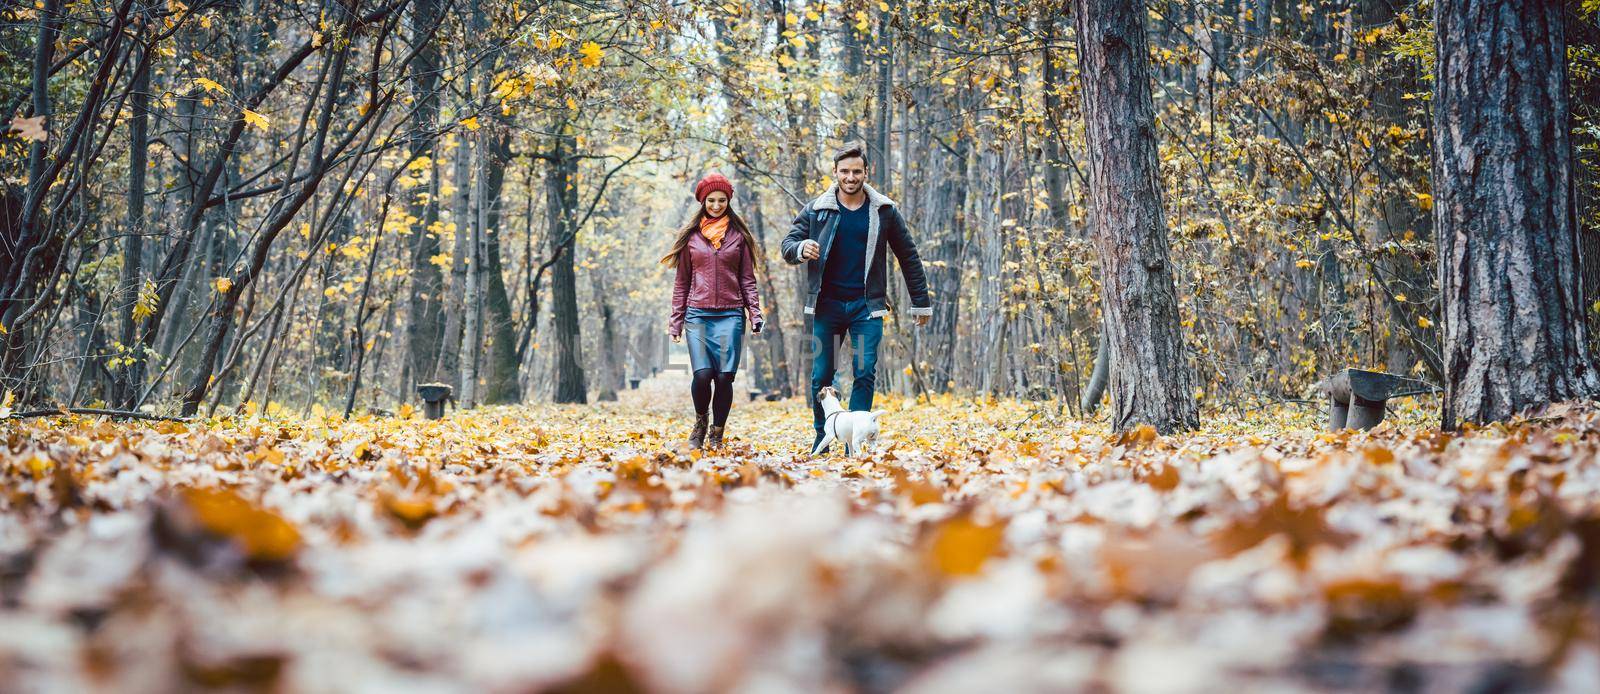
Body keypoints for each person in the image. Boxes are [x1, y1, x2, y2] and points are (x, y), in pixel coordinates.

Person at [781, 144, 931, 453]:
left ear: (866, 173)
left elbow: (909, 256)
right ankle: (822, 436)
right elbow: (788, 243)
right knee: (822, 374)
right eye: (845, 171)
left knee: (864, 370)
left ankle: (855, 441)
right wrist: (800, 249)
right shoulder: (817, 209)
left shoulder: (884, 210)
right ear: (835, 173)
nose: (851, 177)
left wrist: (920, 301)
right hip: (828, 307)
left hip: (866, 308)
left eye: (857, 171)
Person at [664, 173, 765, 450]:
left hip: (731, 314)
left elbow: (747, 279)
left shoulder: (739, 237)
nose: (717, 205)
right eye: (711, 200)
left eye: (722, 200)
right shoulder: (692, 239)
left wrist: (754, 313)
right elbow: (682, 281)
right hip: (697, 314)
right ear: (703, 201)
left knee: (724, 377)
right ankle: (700, 423)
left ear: (728, 201)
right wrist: (676, 322)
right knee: (702, 375)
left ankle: (717, 433)